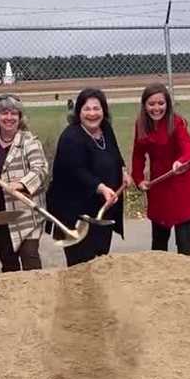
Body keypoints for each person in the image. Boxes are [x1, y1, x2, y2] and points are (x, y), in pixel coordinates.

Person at [46, 88, 127, 266]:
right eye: (87, 109)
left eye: (96, 108)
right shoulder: (71, 137)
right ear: (78, 112)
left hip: (101, 210)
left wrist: (123, 170)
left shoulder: (105, 129)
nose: (92, 113)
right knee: (81, 265)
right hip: (75, 214)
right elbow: (76, 171)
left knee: (100, 260)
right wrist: (102, 188)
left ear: (104, 110)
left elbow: (114, 153)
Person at [0, 94, 48, 271]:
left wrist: (21, 184)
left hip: (26, 214)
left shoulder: (29, 142)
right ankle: (13, 298)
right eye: (4, 113)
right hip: (0, 214)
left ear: (20, 117)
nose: (9, 118)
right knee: (8, 263)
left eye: (14, 113)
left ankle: (36, 296)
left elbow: (40, 169)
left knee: (30, 259)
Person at [131, 83, 190, 256]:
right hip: (159, 188)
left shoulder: (177, 122)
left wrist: (181, 161)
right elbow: (138, 155)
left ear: (168, 104)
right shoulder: (140, 125)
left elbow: (189, 148)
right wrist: (139, 179)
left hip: (183, 187)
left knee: (184, 241)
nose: (156, 108)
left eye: (161, 103)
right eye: (151, 104)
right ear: (144, 106)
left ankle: (186, 278)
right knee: (158, 241)